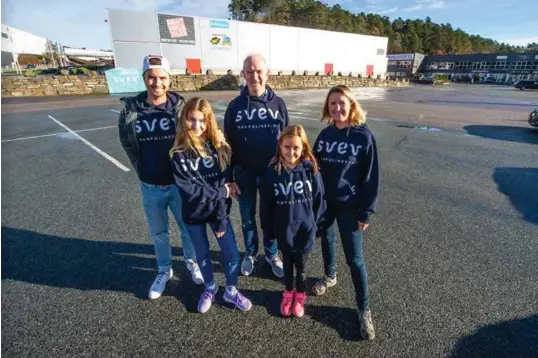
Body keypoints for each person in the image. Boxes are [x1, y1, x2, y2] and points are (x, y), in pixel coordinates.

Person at [118, 55, 203, 300]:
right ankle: (164, 271)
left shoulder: (180, 108)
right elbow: (126, 141)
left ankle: (192, 262)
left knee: (188, 228)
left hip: (179, 184)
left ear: (169, 79)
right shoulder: (131, 109)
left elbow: (195, 138)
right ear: (144, 78)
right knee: (159, 233)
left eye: (162, 77)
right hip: (151, 185)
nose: (157, 83)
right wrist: (140, 166)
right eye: (152, 77)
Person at [170, 97, 252, 313]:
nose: (196, 126)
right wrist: (221, 191)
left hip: (218, 214)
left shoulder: (218, 149)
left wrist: (222, 218)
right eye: (191, 120)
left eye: (202, 121)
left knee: (232, 255)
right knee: (203, 255)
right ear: (184, 120)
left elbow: (225, 184)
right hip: (193, 215)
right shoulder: (178, 154)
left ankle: (231, 291)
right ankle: (210, 287)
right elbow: (190, 192)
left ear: (209, 122)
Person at [312, 85, 380, 340]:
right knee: (326, 241)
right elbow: (313, 165)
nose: (337, 108)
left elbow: (371, 177)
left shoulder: (364, 137)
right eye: (332, 104)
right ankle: (330, 276)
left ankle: (364, 309)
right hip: (326, 203)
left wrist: (366, 212)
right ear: (327, 108)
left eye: (342, 103)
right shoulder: (325, 134)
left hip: (350, 205)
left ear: (351, 105)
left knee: (355, 259)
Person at [224, 54, 290, 278]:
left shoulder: (278, 104)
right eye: (249, 72)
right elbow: (227, 145)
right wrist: (228, 177)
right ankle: (250, 253)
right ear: (243, 75)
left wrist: (288, 171)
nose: (255, 76)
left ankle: (272, 254)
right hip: (244, 173)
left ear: (267, 73)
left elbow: (288, 141)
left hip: (273, 173)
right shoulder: (235, 106)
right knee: (247, 217)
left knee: (270, 217)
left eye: (259, 71)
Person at [260, 125, 326, 318]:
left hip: (305, 230)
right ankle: (288, 293)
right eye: (287, 147)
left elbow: (319, 200)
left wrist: (316, 225)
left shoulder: (310, 169)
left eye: (296, 147)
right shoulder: (273, 172)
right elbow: (266, 204)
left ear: (303, 147)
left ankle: (301, 294)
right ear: (280, 145)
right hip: (284, 230)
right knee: (287, 266)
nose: (291, 152)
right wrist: (268, 230)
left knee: (302, 267)